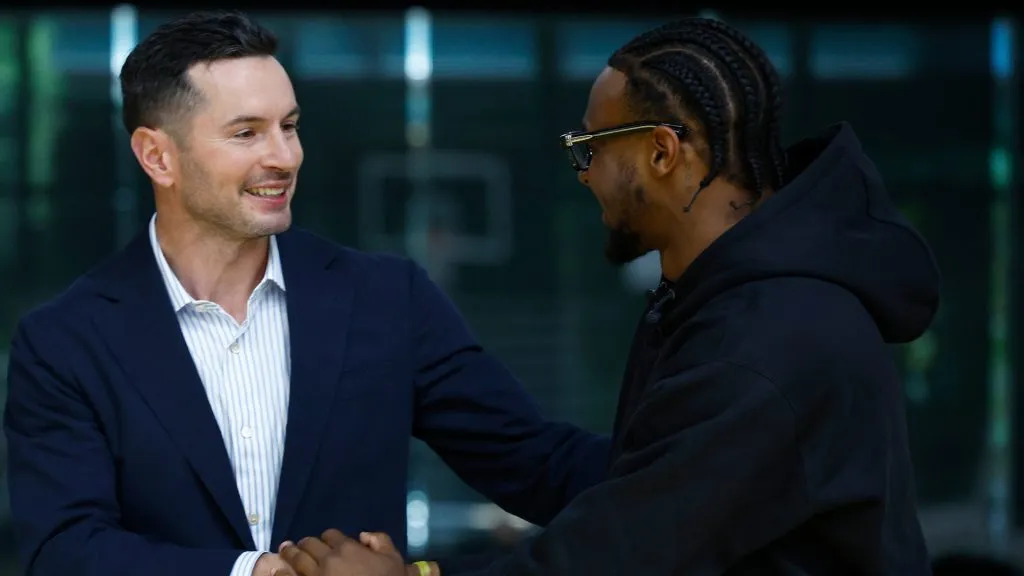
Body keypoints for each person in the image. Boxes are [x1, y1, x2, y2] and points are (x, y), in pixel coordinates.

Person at [277, 16, 940, 575]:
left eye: (589, 149)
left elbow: (616, 553)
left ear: (661, 152)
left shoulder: (770, 339)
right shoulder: (722, 303)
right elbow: (640, 478)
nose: (584, 175)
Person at [2, 11, 610, 576]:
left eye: (289, 127)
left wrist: (692, 469)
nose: (285, 156)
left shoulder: (387, 299)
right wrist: (252, 572)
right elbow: (61, 550)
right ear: (157, 155)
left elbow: (537, 464)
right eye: (247, 133)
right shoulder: (64, 340)